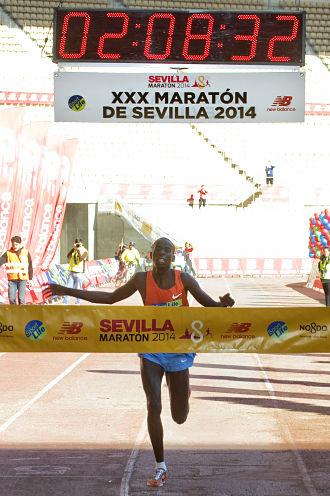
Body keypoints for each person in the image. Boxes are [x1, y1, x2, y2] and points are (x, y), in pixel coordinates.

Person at [42, 237, 235, 487]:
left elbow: (211, 306)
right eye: (159, 249)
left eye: (169, 250)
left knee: (179, 417)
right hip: (151, 350)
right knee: (153, 405)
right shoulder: (141, 280)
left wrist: (224, 304)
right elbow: (110, 299)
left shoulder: (183, 279)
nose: (164, 253)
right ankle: (160, 467)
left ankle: (183, 394)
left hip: (178, 352)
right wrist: (66, 290)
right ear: (151, 253)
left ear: (174, 257)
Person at [0, 235, 33, 304]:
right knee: (11, 298)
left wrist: (30, 279)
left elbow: (30, 266)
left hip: (22, 279)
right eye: (13, 244)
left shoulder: (26, 252)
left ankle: (22, 314)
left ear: (20, 244)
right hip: (12, 280)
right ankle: (14, 313)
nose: (15, 246)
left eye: (16, 244)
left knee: (21, 298)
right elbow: (0, 261)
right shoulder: (8, 253)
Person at [63, 238, 88, 305]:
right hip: (71, 272)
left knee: (78, 289)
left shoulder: (84, 251)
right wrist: (73, 249)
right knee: (68, 288)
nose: (77, 244)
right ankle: (65, 302)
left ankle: (78, 302)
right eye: (76, 242)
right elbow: (68, 256)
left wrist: (78, 250)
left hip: (79, 273)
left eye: (78, 243)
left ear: (81, 243)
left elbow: (81, 259)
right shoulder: (74, 250)